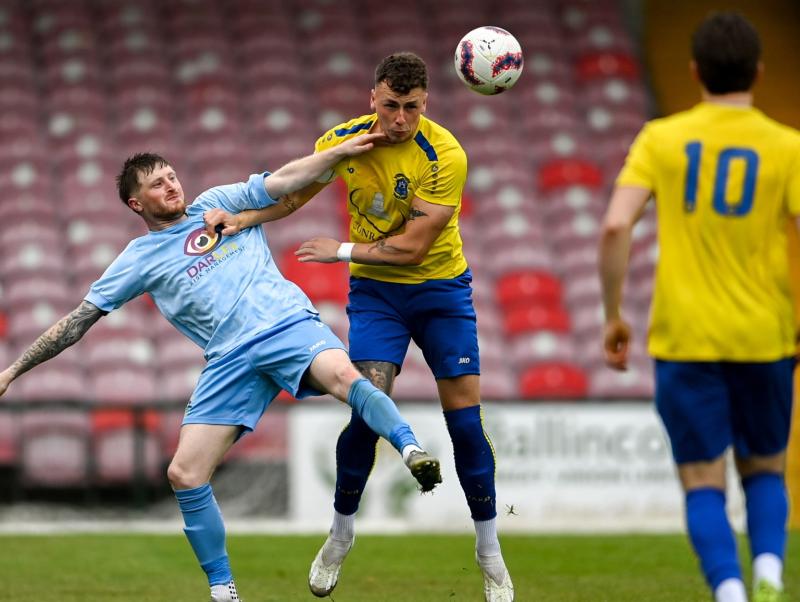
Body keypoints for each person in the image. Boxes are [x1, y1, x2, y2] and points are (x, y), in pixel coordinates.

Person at [0, 135, 444, 602]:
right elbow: (78, 321)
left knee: (344, 376)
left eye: (171, 175)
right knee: (184, 474)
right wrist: (12, 371)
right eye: (157, 184)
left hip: (283, 324)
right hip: (229, 359)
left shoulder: (217, 203)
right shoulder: (138, 258)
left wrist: (338, 153)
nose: (171, 186)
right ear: (137, 203)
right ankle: (223, 591)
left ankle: (410, 448)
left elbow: (283, 182)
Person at [204, 51, 513, 602]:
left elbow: (416, 249)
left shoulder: (444, 154)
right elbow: (295, 195)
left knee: (466, 425)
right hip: (377, 298)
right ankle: (341, 532)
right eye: (391, 105)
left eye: (411, 108)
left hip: (442, 291)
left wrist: (340, 250)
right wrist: (244, 219)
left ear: (426, 104)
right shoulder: (342, 141)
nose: (400, 118)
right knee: (367, 409)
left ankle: (489, 552)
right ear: (373, 98)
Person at [599, 12, 797, 602]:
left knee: (701, 481)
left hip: (685, 336)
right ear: (758, 73)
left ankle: (730, 590)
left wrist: (613, 314)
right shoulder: (786, 146)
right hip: (765, 334)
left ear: (694, 72)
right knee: (765, 467)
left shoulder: (662, 139)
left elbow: (614, 227)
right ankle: (769, 572)